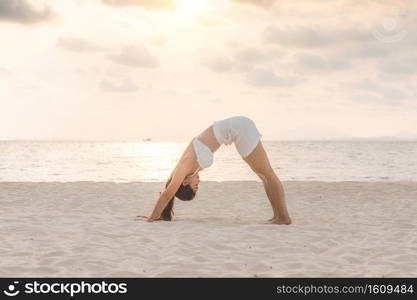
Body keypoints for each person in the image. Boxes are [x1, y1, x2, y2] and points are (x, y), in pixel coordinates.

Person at [136, 116, 291, 225]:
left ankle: (283, 217)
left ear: (184, 182)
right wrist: (163, 214)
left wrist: (152, 217)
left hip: (239, 128)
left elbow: (167, 193)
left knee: (266, 173)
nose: (198, 183)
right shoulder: (188, 168)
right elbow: (169, 195)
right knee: (264, 174)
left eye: (195, 186)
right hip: (237, 129)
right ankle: (278, 215)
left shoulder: (181, 169)